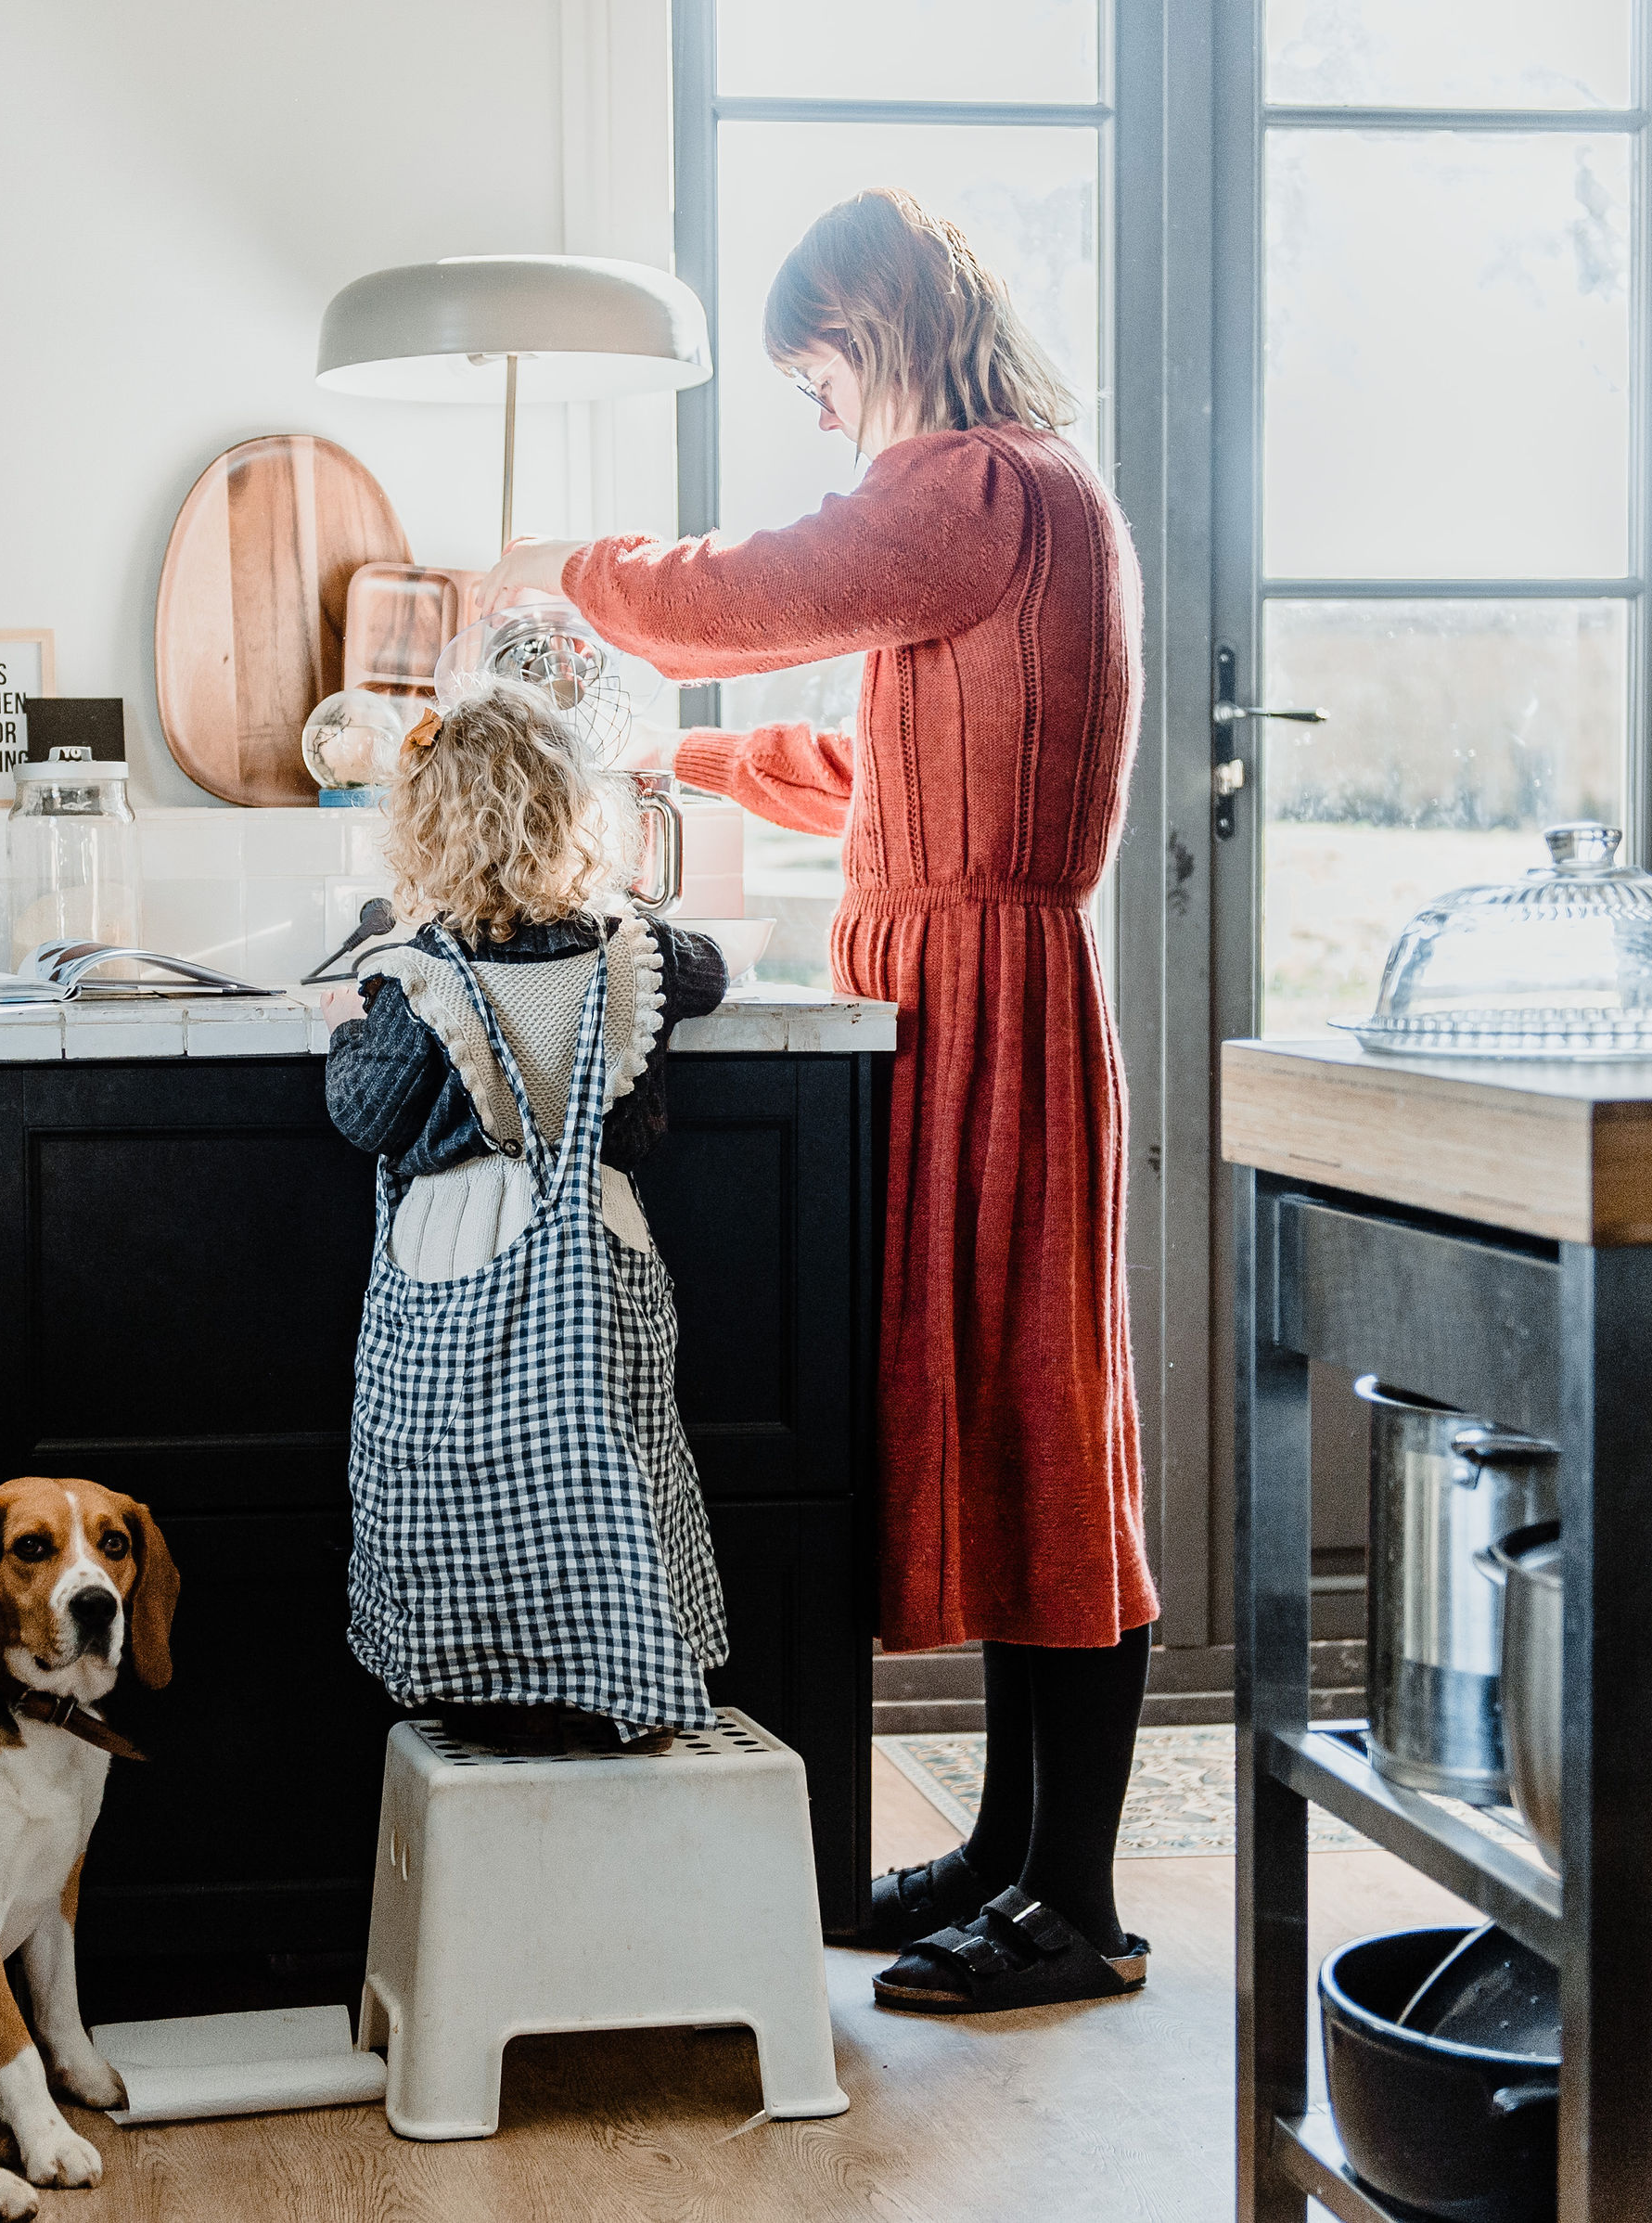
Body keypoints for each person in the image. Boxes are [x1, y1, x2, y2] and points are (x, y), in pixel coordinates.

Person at [480, 186, 1159, 2011]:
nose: (824, 419)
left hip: (983, 999)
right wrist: (671, 757)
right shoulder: (1005, 509)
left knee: (1039, 1411)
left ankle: (1075, 1901)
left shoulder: (975, 488)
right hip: (951, 982)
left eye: (815, 380)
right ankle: (1020, 1854)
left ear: (868, 339)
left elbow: (756, 591)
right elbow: (875, 765)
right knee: (1015, 1409)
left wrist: (570, 576)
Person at [324, 678, 735, 1756]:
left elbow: (366, 1112)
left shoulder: (417, 973)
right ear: (572, 815)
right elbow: (712, 965)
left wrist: (345, 1017)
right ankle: (615, 1663)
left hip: (459, 1250)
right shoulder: (636, 955)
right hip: (599, 1246)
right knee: (613, 1467)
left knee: (458, 1476)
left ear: (422, 832)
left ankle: (474, 1678)